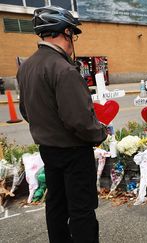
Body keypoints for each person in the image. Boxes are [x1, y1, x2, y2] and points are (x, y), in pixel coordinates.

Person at [17, 6, 107, 243]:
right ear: (65, 32)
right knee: (81, 210)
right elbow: (79, 120)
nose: (72, 41)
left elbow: (26, 111)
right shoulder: (64, 69)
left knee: (55, 205)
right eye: (72, 34)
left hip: (48, 149)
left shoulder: (26, 67)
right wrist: (101, 132)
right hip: (74, 152)